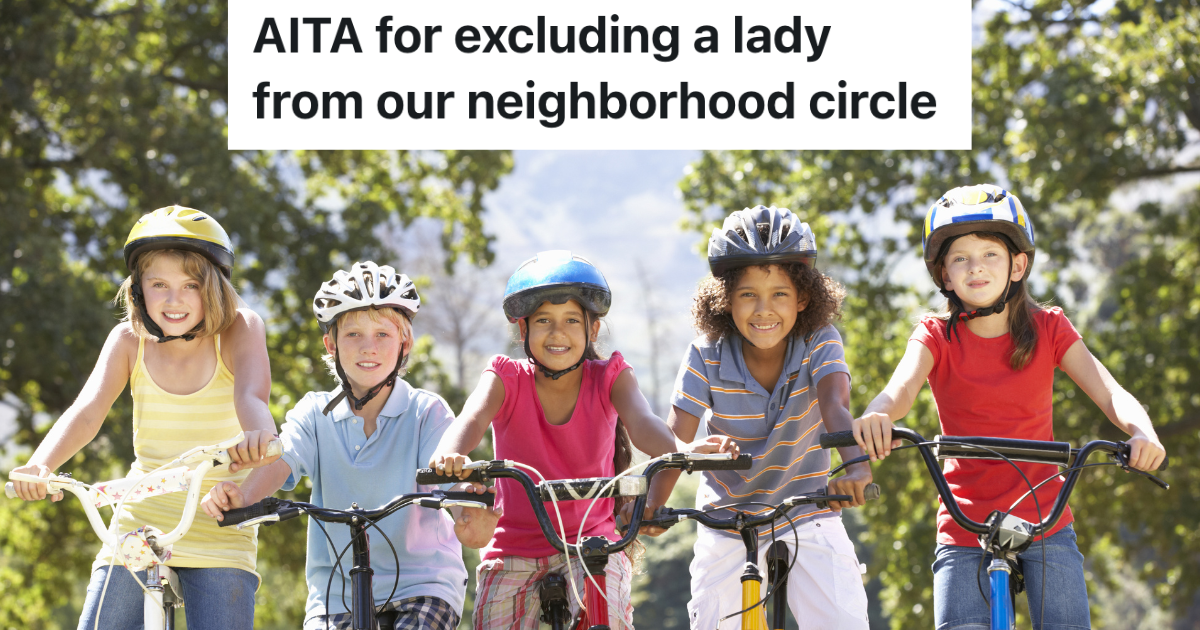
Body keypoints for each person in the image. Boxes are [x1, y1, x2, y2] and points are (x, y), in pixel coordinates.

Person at [852, 184, 1166, 629]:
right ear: (944, 275)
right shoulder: (935, 334)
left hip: (1044, 516)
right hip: (963, 521)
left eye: (990, 254)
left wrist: (1142, 432)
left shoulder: (1048, 327)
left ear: (1017, 265)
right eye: (960, 258)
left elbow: (1110, 391)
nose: (975, 267)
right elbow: (899, 390)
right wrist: (878, 414)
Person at [429, 250, 737, 630]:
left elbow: (643, 423)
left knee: (607, 618)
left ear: (592, 330)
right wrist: (449, 456)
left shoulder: (611, 376)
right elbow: (471, 418)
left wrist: (683, 451)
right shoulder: (505, 378)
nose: (557, 333)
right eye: (543, 320)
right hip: (513, 548)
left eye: (571, 320)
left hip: (593, 544)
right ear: (523, 331)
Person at [10, 205, 278, 630]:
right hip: (141, 523)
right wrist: (41, 466)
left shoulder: (239, 330)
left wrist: (260, 435)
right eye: (159, 285)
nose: (174, 300)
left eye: (190, 285)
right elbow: (87, 412)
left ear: (214, 288)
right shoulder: (128, 340)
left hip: (220, 523)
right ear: (137, 290)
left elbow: (251, 395)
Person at [202, 261, 486, 630]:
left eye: (382, 334)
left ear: (405, 343)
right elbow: (282, 460)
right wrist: (244, 497)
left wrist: (467, 508)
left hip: (423, 584)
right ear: (331, 344)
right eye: (353, 334)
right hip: (336, 593)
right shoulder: (313, 413)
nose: (369, 347)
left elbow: (446, 473)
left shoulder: (425, 412)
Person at [642, 205, 874, 630]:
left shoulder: (819, 339)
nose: (764, 310)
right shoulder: (706, 352)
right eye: (748, 294)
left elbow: (835, 405)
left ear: (803, 298)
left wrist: (857, 468)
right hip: (727, 518)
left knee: (843, 620)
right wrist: (654, 503)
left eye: (779, 294)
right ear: (725, 300)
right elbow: (676, 441)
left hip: (808, 509)